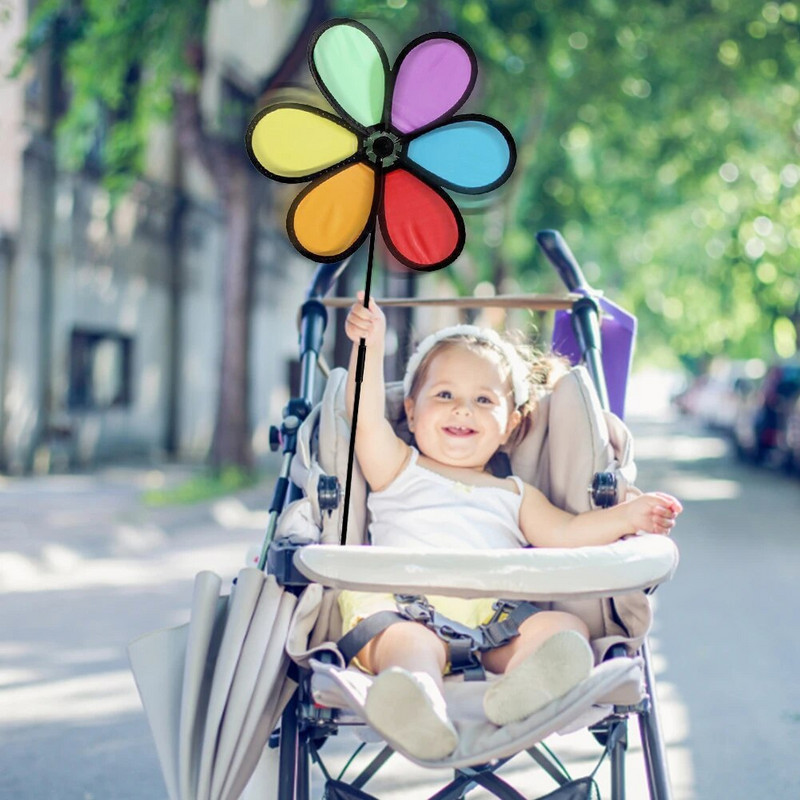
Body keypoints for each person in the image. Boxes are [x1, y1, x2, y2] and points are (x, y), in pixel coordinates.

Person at [341, 291, 683, 760]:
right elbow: (362, 418)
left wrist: (627, 516)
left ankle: (524, 688)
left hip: (495, 619)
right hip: (404, 608)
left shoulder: (516, 495)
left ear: (509, 427)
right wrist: (370, 347)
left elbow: (567, 534)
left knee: (562, 627)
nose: (463, 409)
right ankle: (417, 702)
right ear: (411, 412)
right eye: (445, 395)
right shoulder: (396, 467)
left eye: (484, 399)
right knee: (409, 646)